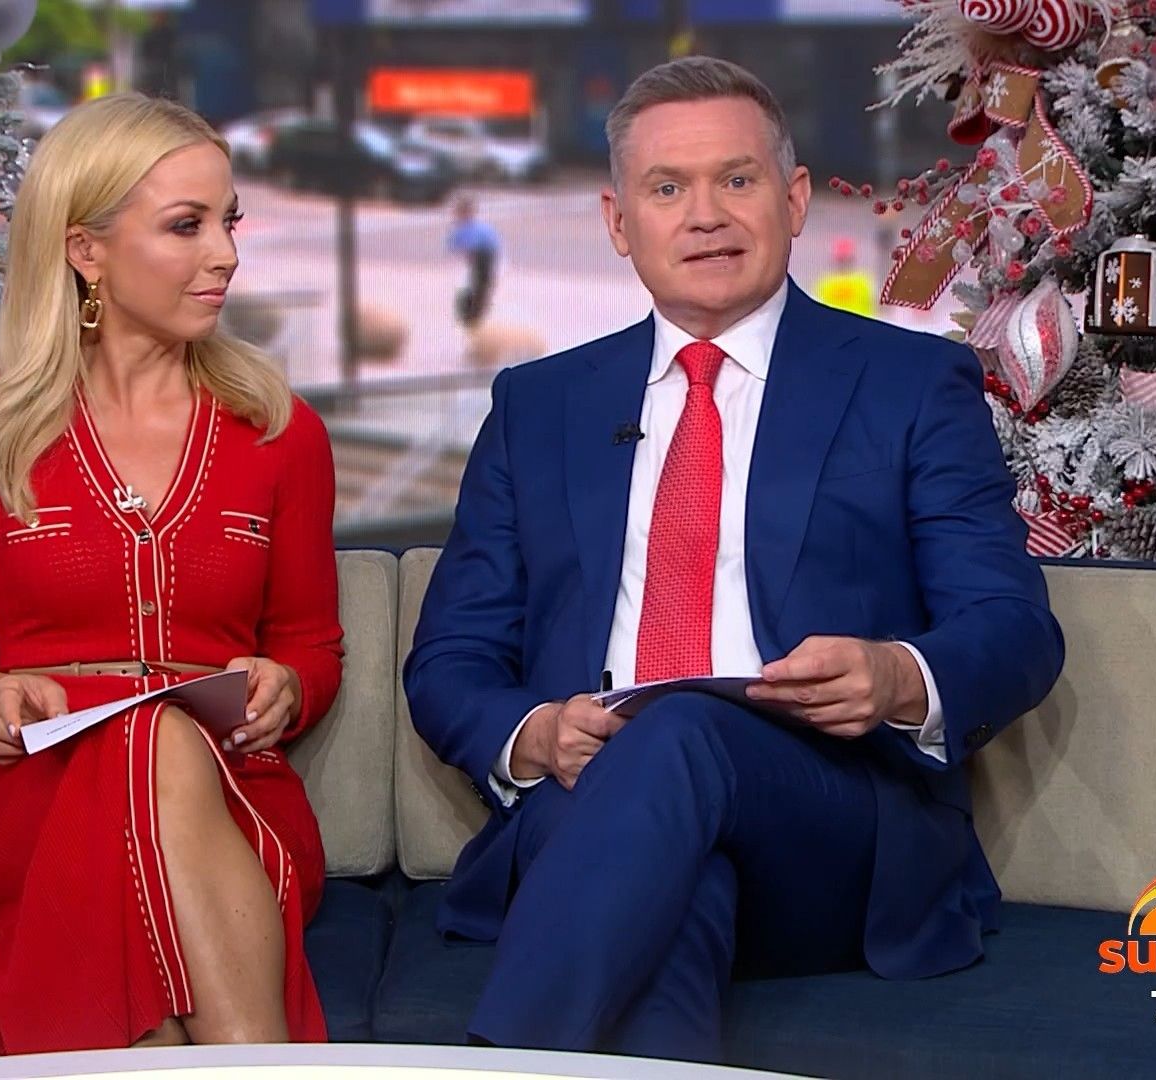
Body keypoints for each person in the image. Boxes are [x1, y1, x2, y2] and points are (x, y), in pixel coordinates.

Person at [403, 57, 1064, 1061]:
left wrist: (896, 675)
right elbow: (452, 659)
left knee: (676, 734)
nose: (705, 215)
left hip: (828, 817)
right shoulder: (539, 406)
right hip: (593, 806)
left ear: (793, 200)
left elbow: (1014, 627)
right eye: (668, 188)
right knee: (676, 881)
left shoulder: (910, 383)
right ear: (620, 222)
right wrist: (536, 732)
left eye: (737, 180)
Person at [0, 93, 344, 1058]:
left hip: (232, 796)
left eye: (229, 222)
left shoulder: (280, 432)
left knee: (162, 743)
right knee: (147, 742)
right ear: (85, 250)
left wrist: (288, 687)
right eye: (186, 226)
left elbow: (309, 643)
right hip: (33, 795)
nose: (226, 254)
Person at [448, 195, 501, 328]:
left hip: (483, 258)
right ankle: (470, 315)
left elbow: (490, 246)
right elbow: (454, 246)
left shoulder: (477, 228)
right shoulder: (462, 229)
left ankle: (473, 315)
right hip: (475, 260)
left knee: (480, 288)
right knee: (474, 288)